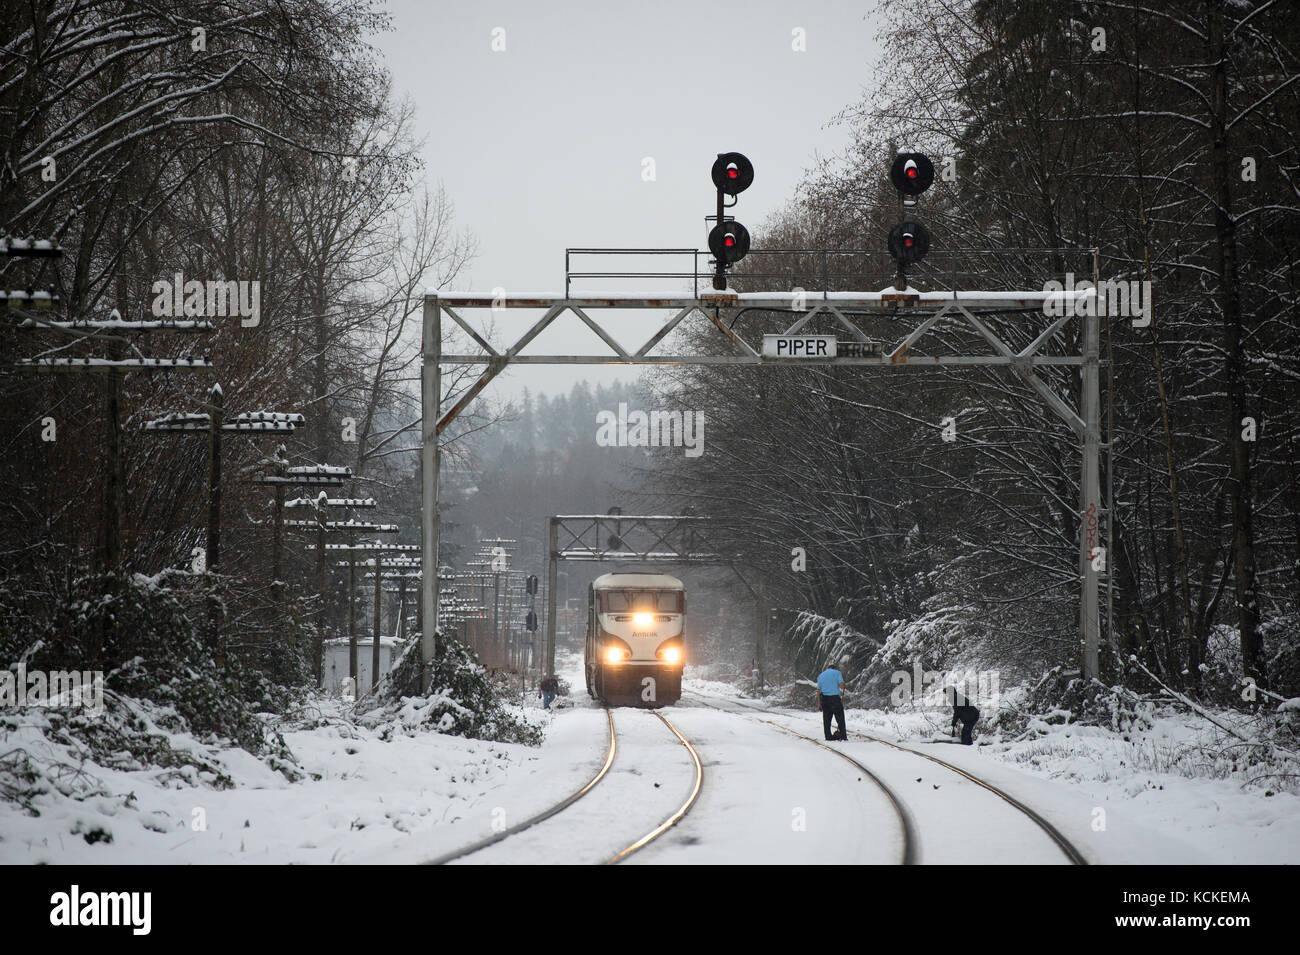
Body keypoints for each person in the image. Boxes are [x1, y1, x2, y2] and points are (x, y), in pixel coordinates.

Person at [816, 661, 848, 740]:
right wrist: (843, 685)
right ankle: (843, 736)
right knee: (840, 718)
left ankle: (828, 736)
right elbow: (841, 685)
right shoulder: (837, 673)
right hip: (835, 699)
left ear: (828, 668)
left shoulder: (821, 675)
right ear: (834, 668)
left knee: (827, 719)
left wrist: (819, 704)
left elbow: (818, 691)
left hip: (824, 699)